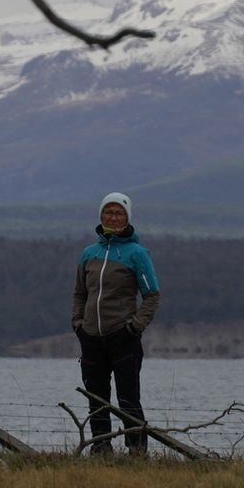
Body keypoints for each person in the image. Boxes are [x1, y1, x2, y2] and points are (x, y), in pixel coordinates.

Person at [71, 192, 161, 456]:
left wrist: (134, 327)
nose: (113, 217)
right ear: (101, 215)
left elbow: (152, 295)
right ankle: (101, 449)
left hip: (123, 337)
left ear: (127, 218)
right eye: (108, 212)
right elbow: (79, 293)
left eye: (119, 213)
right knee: (96, 398)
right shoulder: (89, 253)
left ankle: (137, 452)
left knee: (128, 399)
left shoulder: (137, 253)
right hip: (90, 337)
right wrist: (78, 323)